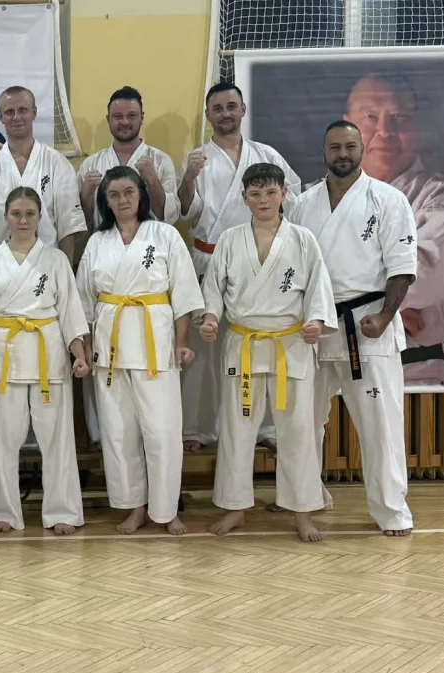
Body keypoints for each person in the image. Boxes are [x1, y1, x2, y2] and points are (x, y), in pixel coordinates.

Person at [286, 121, 416, 537]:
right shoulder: (303, 204)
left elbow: (402, 268)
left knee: (380, 424)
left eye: (349, 146)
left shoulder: (388, 200)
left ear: (362, 149)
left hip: (366, 324)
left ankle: (392, 509)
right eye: (335, 147)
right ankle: (308, 497)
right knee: (304, 422)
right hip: (315, 325)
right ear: (324, 152)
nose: (342, 154)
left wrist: (386, 316)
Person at [198, 163, 336, 543]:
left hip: (290, 344)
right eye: (255, 194)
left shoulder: (303, 239)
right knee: (237, 428)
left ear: (283, 194)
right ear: (244, 197)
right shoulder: (230, 240)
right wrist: (210, 319)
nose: (263, 200)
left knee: (297, 430)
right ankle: (235, 507)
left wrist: (316, 322)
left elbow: (318, 289)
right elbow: (214, 289)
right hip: (243, 344)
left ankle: (303, 511)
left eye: (270, 192)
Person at [177, 83, 303, 454]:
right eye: (217, 108)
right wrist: (188, 177)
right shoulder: (198, 158)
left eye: (231, 106)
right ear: (208, 115)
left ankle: (266, 425)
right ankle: (198, 427)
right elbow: (186, 210)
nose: (225, 113)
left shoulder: (266, 155)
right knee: (204, 347)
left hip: (257, 259)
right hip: (209, 257)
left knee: (260, 340)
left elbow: (293, 199)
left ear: (243, 109)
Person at [77, 166, 202, 536]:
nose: (122, 200)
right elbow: (84, 301)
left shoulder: (164, 235)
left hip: (155, 344)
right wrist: (87, 348)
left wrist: (181, 342)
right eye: (114, 195)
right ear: (106, 201)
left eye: (128, 192)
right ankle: (135, 507)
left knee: (162, 432)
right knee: (119, 433)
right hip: (110, 347)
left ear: (141, 195)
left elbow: (183, 294)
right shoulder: (98, 242)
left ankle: (167, 510)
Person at [0, 186, 90, 535]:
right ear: (6, 217)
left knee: (57, 440)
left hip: (48, 353)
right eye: (16, 214)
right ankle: (5, 512)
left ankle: (63, 511)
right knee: (3, 441)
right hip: (4, 353)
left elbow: (70, 311)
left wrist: (79, 355)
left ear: (39, 217)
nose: (23, 220)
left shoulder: (55, 259)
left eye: (30, 214)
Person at [343, 73, 444, 385]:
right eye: (370, 116)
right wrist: (387, 309)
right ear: (347, 124)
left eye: (398, 117)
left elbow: (421, 272)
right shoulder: (314, 198)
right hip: (333, 366)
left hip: (413, 372)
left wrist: (344, 304)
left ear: (417, 125)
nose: (385, 131)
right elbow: (300, 270)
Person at [0, 86, 87, 261]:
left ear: (34, 112)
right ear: (1, 116)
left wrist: (65, 269)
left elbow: (68, 225)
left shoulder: (56, 163)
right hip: (0, 260)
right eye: (10, 112)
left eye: (23, 110)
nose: (16, 117)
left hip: (47, 259)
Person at [78, 86, 179, 225]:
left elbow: (168, 217)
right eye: (118, 116)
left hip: (149, 238)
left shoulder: (161, 160)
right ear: (108, 119)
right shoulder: (90, 165)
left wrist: (151, 179)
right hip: (102, 237)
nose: (125, 122)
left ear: (142, 118)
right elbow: (79, 224)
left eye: (131, 116)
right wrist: (85, 195)